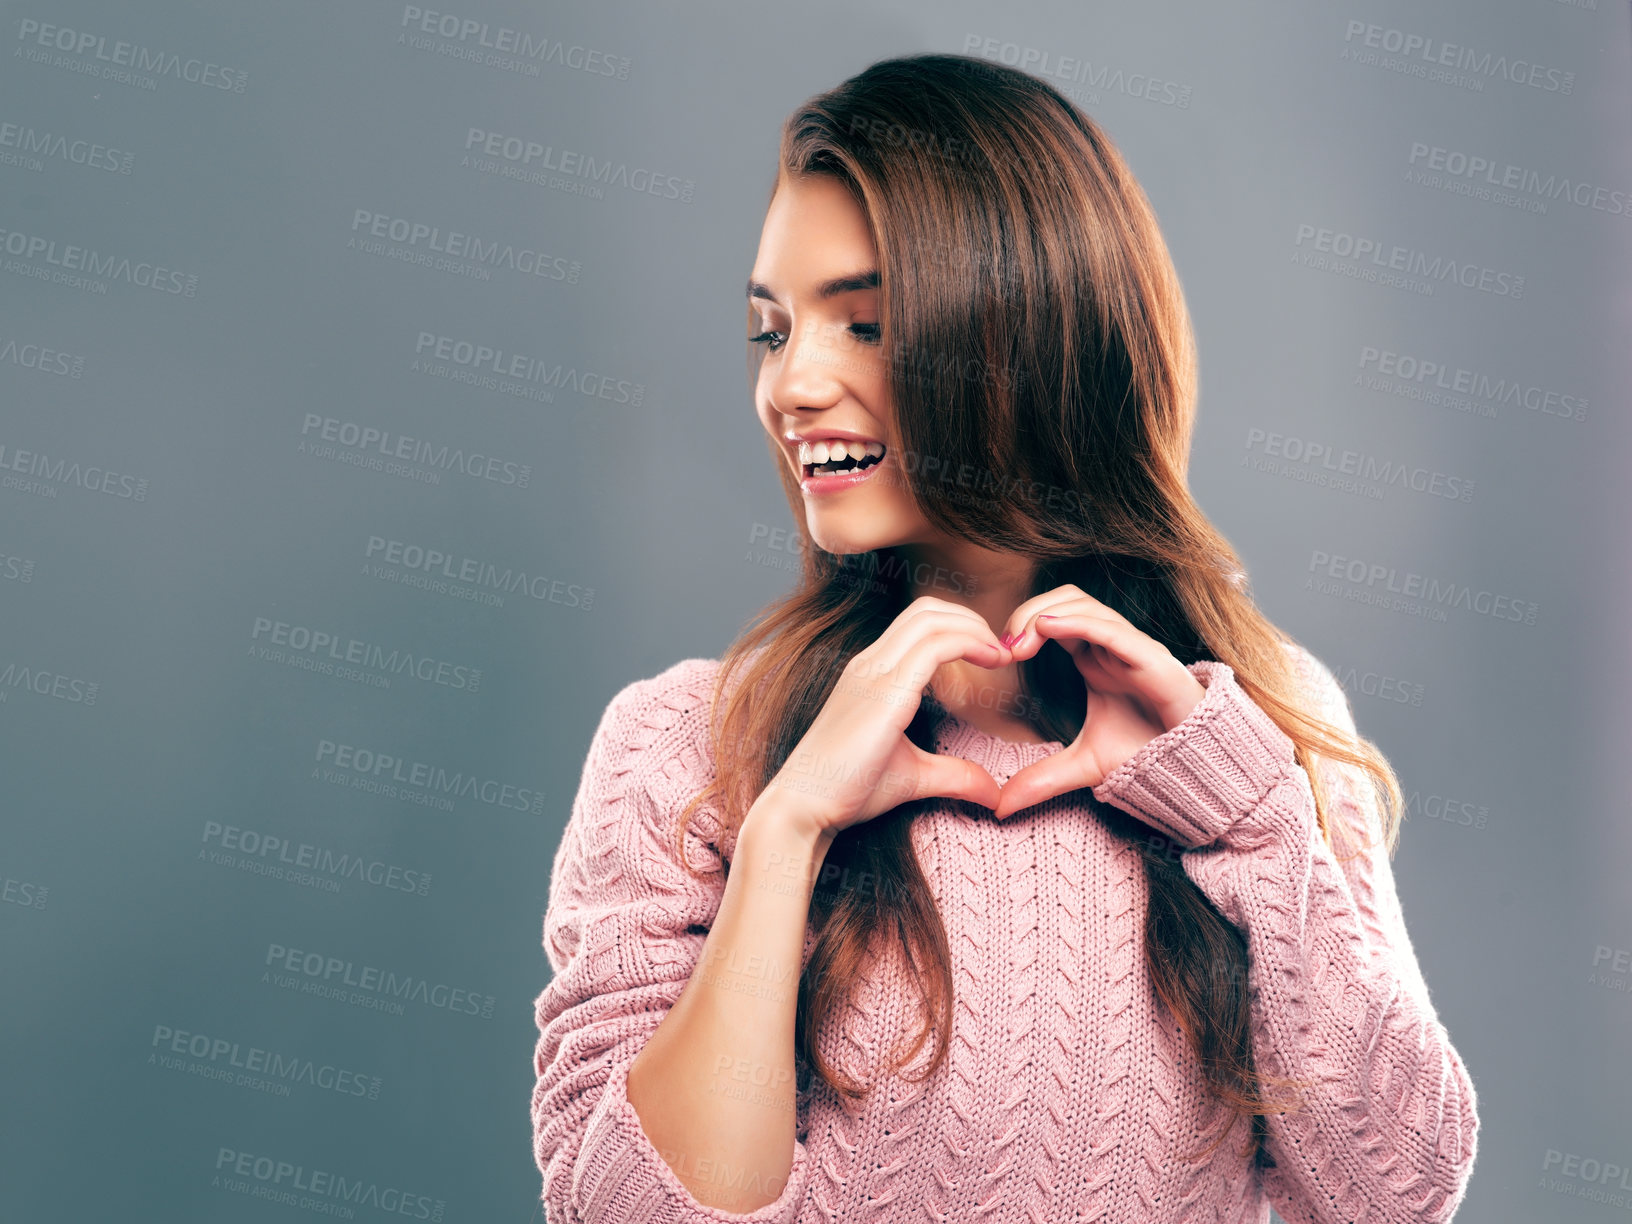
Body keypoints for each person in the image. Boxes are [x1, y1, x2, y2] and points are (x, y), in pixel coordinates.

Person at [531, 52, 1479, 1224]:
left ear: (1028, 336)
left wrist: (1247, 812)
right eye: (771, 332)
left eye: (865, 325)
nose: (792, 386)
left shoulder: (1261, 720)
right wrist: (789, 825)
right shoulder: (682, 743)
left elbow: (1398, 1196)